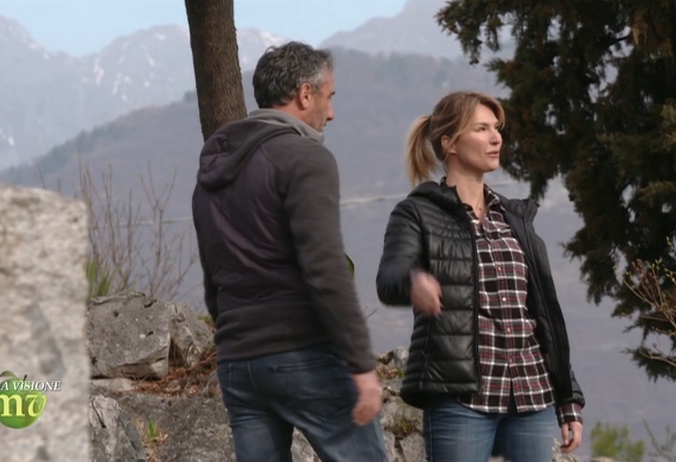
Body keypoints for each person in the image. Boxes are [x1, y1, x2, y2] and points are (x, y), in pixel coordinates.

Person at [191, 41, 387, 462]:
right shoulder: (304, 157)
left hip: (239, 363)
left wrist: (235, 337)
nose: (331, 113)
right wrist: (361, 364)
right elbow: (325, 267)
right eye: (329, 97)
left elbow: (214, 277)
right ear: (304, 94)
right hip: (303, 353)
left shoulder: (211, 173)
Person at [375, 91, 585, 461]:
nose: (496, 138)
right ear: (450, 143)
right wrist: (414, 282)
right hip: (461, 399)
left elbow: (544, 316)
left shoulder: (515, 219)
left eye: (497, 129)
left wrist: (568, 398)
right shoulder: (417, 212)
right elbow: (389, 278)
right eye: (482, 129)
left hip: (532, 395)